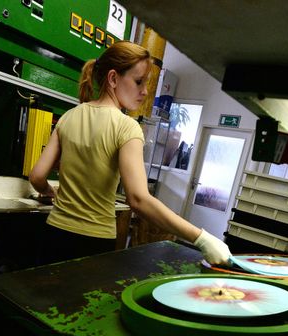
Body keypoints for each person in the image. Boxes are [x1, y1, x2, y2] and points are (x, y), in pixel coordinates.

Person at [29, 40, 231, 266]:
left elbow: (37, 176)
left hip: (54, 234)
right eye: (138, 82)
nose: (145, 92)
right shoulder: (127, 127)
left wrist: (49, 192)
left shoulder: (68, 116)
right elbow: (137, 199)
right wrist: (202, 238)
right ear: (113, 78)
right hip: (92, 242)